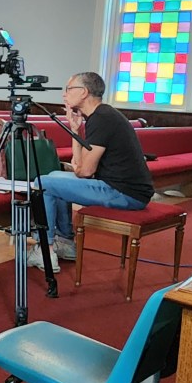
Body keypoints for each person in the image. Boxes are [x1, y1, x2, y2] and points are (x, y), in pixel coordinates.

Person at [29, 71, 154, 272]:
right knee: (53, 178)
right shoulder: (102, 115)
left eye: (68, 89)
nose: (64, 94)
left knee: (43, 183)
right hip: (123, 189)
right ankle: (66, 243)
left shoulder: (102, 118)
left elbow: (85, 171)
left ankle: (46, 249)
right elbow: (79, 164)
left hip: (123, 193)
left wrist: (79, 168)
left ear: (84, 92)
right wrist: (75, 130)